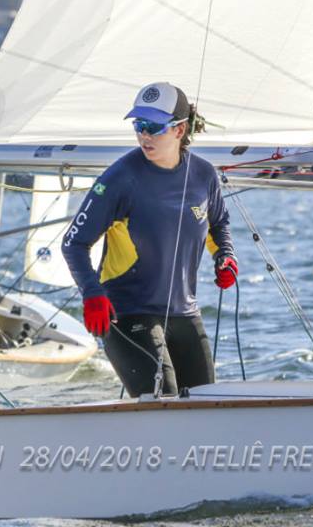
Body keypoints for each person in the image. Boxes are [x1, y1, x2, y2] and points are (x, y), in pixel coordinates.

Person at [62, 82, 237, 398]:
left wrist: (225, 256)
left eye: (153, 127)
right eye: (139, 125)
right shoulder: (119, 179)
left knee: (206, 405)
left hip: (185, 313)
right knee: (163, 402)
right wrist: (92, 294)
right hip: (126, 312)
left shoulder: (203, 175)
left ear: (180, 129)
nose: (144, 135)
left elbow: (218, 223)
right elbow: (74, 243)